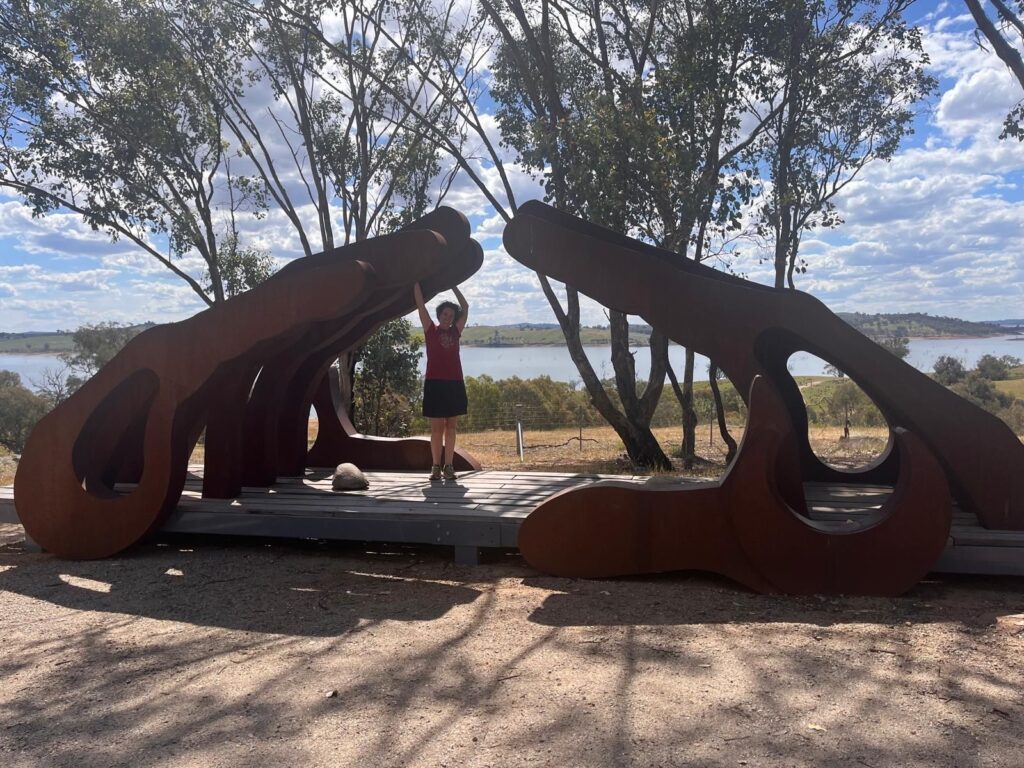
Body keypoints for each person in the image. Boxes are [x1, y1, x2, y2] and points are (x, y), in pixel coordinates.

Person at [414, 282, 469, 481]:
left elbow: (466, 307)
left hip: (454, 383)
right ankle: (435, 467)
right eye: (445, 314)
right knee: (436, 428)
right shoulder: (430, 330)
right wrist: (416, 283)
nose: (448, 317)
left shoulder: (456, 332)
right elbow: (420, 306)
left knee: (451, 427)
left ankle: (449, 467)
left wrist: (453, 285)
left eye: (451, 315)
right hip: (435, 383)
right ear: (439, 315)